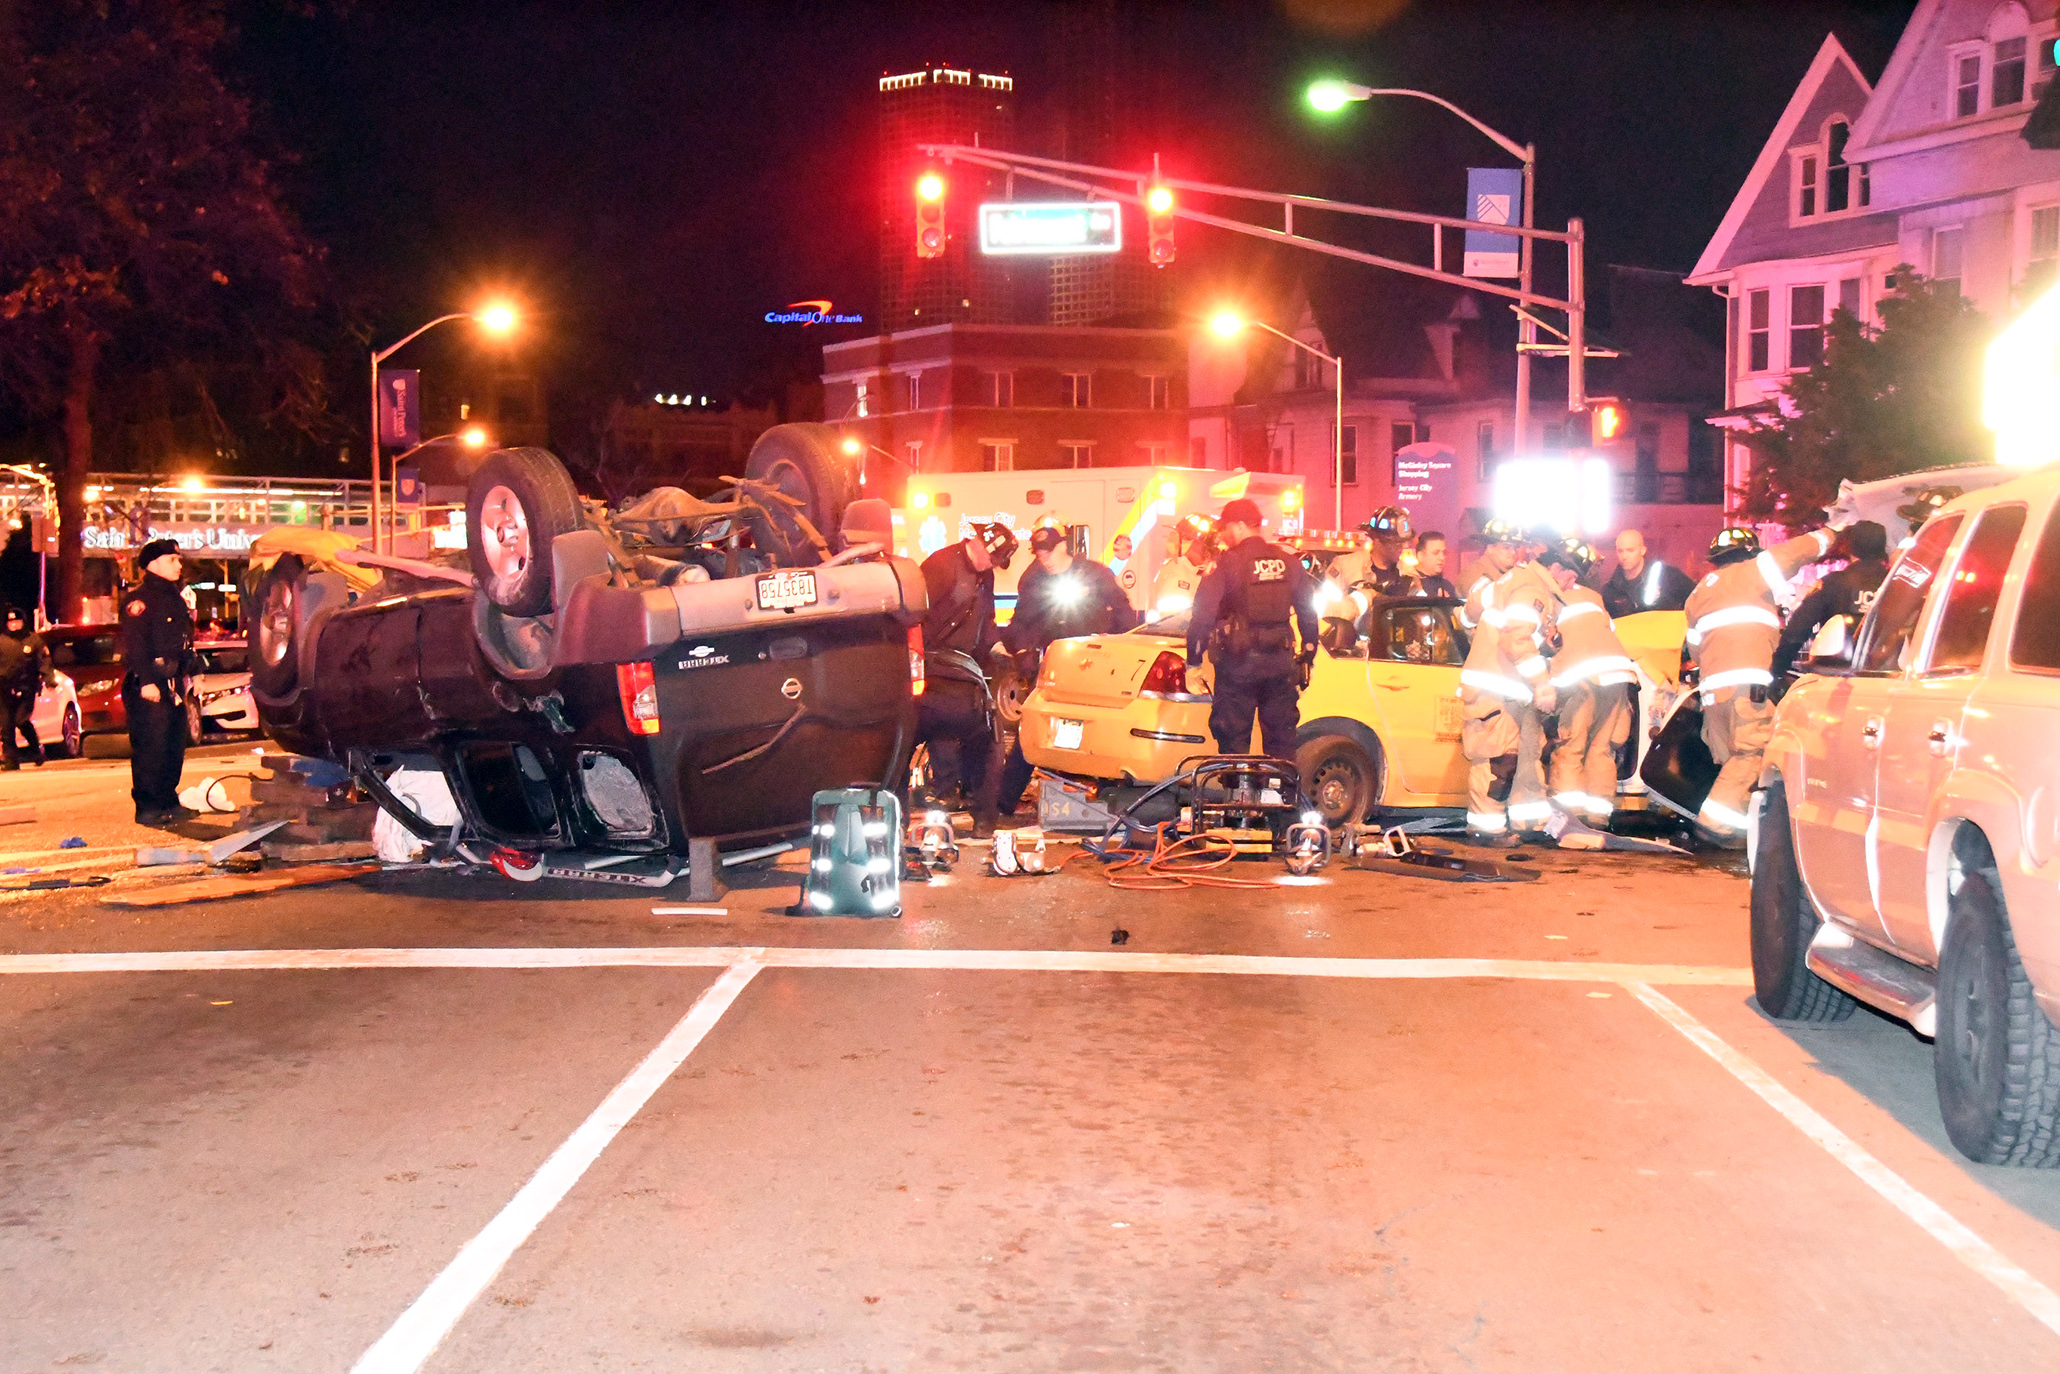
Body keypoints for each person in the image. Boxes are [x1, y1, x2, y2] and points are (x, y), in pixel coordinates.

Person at [1682, 522, 1839, 846]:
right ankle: (1715, 824)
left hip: (1713, 690)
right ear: (1749, 551)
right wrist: (1836, 529)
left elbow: (1694, 647)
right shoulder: (1756, 569)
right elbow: (1799, 550)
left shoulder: (1698, 592)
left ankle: (1738, 831)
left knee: (1733, 759)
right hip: (1746, 686)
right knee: (1753, 751)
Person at [991, 527, 1139, 815]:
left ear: (1063, 547)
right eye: (1040, 554)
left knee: (1101, 730)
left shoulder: (1093, 573)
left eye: (1049, 552)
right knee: (1035, 730)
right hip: (1055, 665)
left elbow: (1122, 610)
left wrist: (1123, 646)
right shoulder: (1034, 581)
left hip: (1095, 664)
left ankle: (1110, 804)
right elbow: (1021, 622)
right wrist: (1023, 652)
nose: (1045, 559)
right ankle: (1004, 801)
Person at [1187, 498, 1320, 760]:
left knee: (1233, 743)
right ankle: (1279, 795)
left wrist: (1193, 662)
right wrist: (1308, 655)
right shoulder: (1288, 563)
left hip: (1238, 667)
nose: (1223, 536)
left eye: (1224, 529)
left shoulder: (1227, 563)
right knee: (1281, 743)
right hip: (1280, 668)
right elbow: (1308, 612)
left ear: (1238, 526)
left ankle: (1237, 797)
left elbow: (1202, 616)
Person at [1458, 533, 1561, 845]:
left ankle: (1527, 821)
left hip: (1503, 688)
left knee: (1522, 756)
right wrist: (1542, 683)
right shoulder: (1530, 587)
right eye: (1569, 575)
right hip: (1499, 689)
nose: (1570, 582)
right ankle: (1485, 829)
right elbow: (1516, 638)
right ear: (1555, 568)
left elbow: (1465, 615)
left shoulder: (1505, 582)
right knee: (1497, 760)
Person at [916, 522, 1018, 826]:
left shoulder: (985, 575)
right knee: (943, 725)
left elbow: (986, 619)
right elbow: (918, 614)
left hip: (963, 666)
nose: (992, 565)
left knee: (985, 733)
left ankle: (976, 805)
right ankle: (946, 789)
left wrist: (999, 650)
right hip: (933, 662)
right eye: (992, 557)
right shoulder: (942, 565)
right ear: (977, 541)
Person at [1536, 540, 1637, 827]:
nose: (1570, 579)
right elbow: (1610, 632)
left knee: (1571, 746)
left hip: (1579, 677)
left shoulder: (1545, 596)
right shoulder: (1594, 596)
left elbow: (1540, 644)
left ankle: (1571, 817)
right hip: (1617, 675)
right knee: (1601, 748)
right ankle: (1598, 817)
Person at [122, 539, 200, 825]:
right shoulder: (140, 600)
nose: (179, 565)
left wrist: (192, 673)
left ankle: (168, 799)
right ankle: (148, 806)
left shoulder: (174, 597)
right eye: (172, 560)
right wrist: (146, 681)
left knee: (172, 744)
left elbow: (183, 641)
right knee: (150, 746)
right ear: (153, 564)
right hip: (151, 682)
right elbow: (136, 644)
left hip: (174, 682)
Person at [1770, 520, 1891, 680]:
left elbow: (1797, 631)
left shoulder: (1832, 584)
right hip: (1890, 677)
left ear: (1851, 548)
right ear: (1882, 549)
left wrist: (1777, 670)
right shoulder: (1899, 586)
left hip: (1839, 680)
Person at [0, 606, 52, 769]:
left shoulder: (34, 641)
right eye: (11, 622)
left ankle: (36, 750)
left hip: (26, 687)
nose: (14, 625)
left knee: (21, 720)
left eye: (17, 621)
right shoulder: (1, 641)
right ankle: (11, 760)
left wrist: (48, 677)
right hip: (4, 688)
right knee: (7, 725)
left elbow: (44, 662)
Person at [1601, 529, 1694, 618]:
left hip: (1667, 633)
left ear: (1642, 550)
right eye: (1620, 551)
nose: (1624, 556)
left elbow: (1697, 601)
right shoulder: (1610, 590)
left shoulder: (1668, 576)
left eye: (1630, 550)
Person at [1324, 505, 1413, 598]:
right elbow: (1327, 606)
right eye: (1397, 543)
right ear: (1377, 540)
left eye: (1405, 542)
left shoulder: (1409, 573)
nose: (1405, 546)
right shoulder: (1344, 567)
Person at [1151, 513, 1217, 617]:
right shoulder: (1179, 578)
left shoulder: (1190, 572)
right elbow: (1173, 624)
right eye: (1205, 548)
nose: (1208, 554)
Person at [1410, 530, 1458, 600]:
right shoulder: (1410, 584)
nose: (1442, 558)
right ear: (1420, 556)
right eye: (1435, 553)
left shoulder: (1447, 586)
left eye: (1444, 553)